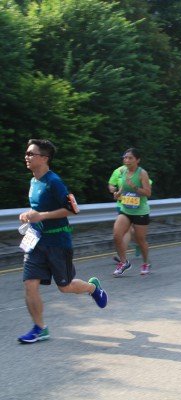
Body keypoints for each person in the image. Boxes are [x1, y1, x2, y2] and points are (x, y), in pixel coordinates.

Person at [18, 139, 108, 344]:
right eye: (26, 153)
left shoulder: (54, 182)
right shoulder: (33, 181)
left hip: (58, 241)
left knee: (65, 286)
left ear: (44, 158)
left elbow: (73, 209)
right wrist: (29, 214)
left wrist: (41, 216)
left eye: (31, 154)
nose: (26, 157)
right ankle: (40, 329)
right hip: (36, 241)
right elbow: (38, 209)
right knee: (29, 284)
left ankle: (93, 288)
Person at [112, 148, 153, 276]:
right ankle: (124, 262)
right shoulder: (123, 171)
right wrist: (119, 193)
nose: (127, 160)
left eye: (130, 158)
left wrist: (134, 187)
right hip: (126, 209)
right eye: (125, 157)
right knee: (117, 235)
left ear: (137, 160)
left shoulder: (142, 173)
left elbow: (148, 193)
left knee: (140, 240)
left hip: (140, 211)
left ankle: (145, 263)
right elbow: (124, 185)